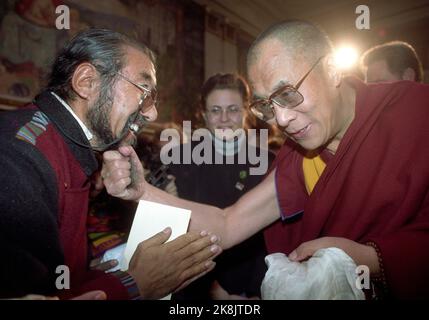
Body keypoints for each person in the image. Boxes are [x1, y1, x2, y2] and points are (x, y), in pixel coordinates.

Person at [103, 20, 429, 299]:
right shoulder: (301, 157)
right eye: (268, 106)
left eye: (287, 93)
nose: (282, 120)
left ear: (331, 69)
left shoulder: (415, 112)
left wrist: (370, 258)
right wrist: (140, 191)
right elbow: (229, 224)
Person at [0, 28, 221, 300]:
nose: (152, 113)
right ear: (87, 82)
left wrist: (91, 279)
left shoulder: (68, 145)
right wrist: (135, 284)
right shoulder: (17, 158)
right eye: (145, 92)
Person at [170, 73, 274, 299]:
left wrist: (258, 292)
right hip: (197, 286)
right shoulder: (180, 160)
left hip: (255, 286)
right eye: (216, 110)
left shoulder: (268, 163)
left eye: (233, 109)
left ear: (246, 110)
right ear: (204, 114)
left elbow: (271, 235)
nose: (224, 118)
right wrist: (214, 290)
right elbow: (176, 229)